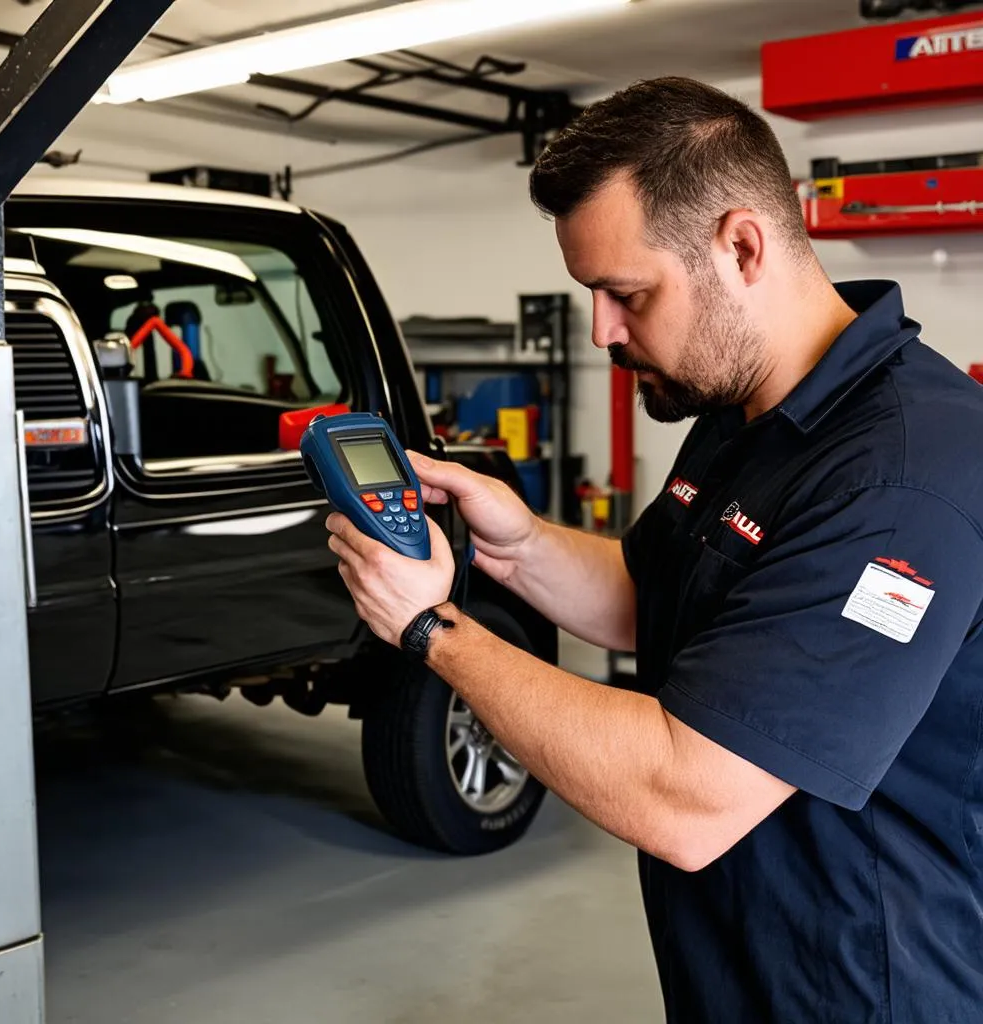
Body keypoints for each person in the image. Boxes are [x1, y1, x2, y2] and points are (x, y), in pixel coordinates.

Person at [326, 76, 983, 1023]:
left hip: (860, 985)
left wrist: (433, 629)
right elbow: (653, 594)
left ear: (742, 247)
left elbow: (686, 796)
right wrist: (513, 545)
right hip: (735, 959)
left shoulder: (901, 481)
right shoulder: (744, 409)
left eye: (624, 293)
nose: (602, 331)